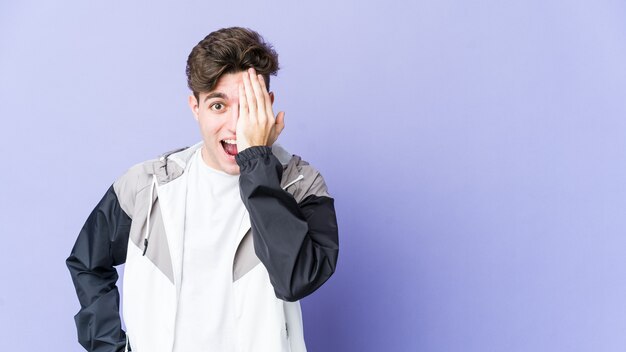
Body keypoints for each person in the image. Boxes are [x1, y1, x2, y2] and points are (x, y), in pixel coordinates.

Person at [66, 27, 339, 352]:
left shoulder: (301, 185)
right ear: (195, 107)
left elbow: (295, 278)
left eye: (249, 107)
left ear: (268, 106)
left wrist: (256, 161)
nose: (237, 125)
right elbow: (87, 262)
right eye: (218, 106)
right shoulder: (146, 185)